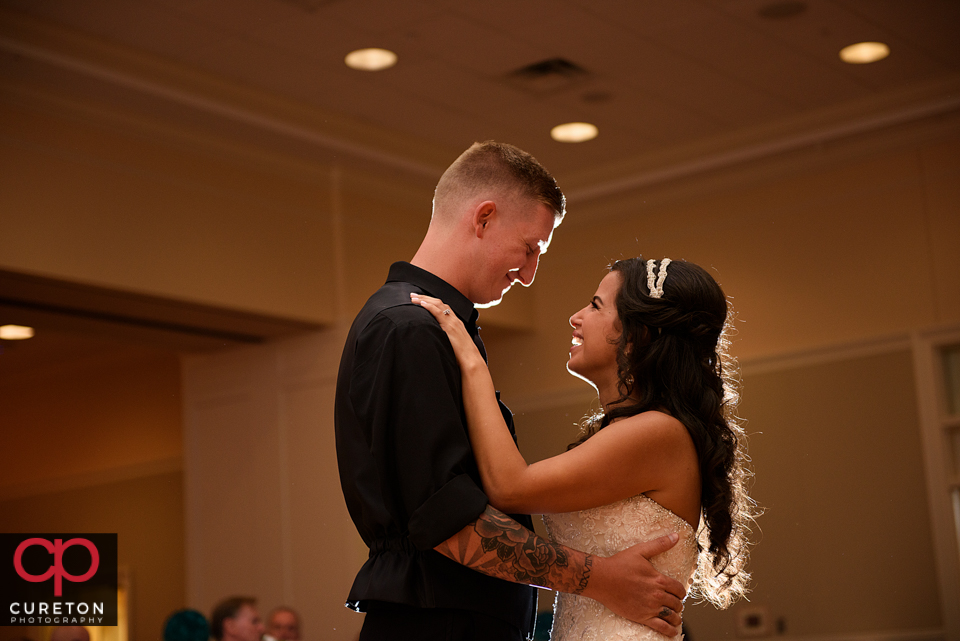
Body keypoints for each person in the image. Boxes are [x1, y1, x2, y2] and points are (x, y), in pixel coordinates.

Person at [334, 141, 687, 641]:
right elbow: (448, 524)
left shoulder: (437, 328)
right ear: (483, 218)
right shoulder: (409, 329)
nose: (528, 274)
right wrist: (599, 578)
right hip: (436, 624)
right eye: (530, 248)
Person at [412, 256, 755, 639]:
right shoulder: (630, 431)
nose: (576, 318)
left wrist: (472, 363)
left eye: (595, 306)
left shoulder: (657, 432)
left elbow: (509, 487)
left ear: (639, 335)